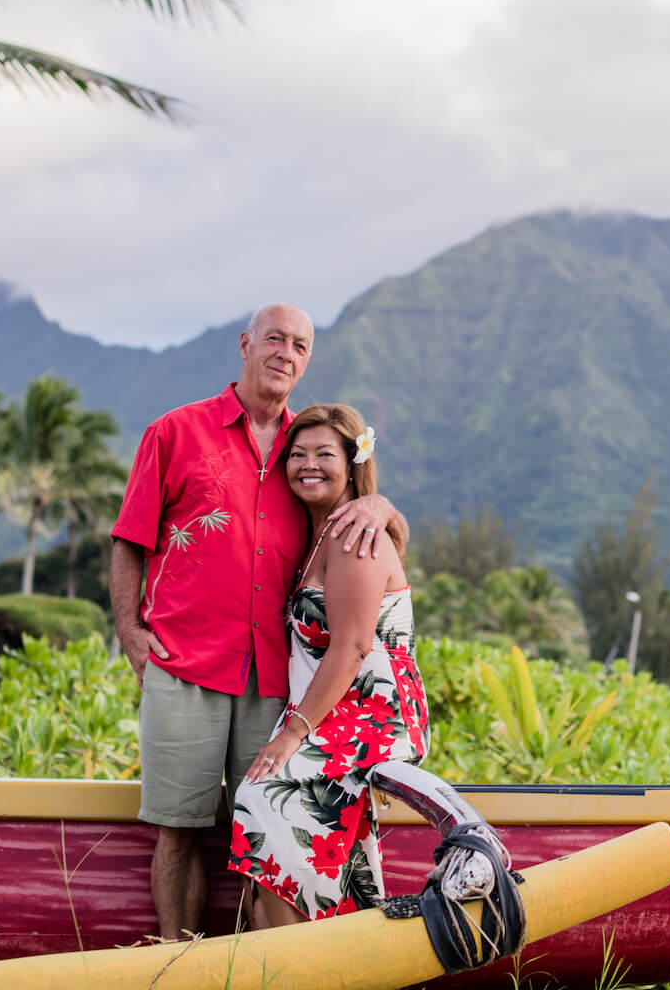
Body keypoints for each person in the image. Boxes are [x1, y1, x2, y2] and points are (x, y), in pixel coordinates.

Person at [109, 304, 396, 940]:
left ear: (307, 360)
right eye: (274, 338)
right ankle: (178, 965)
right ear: (245, 344)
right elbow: (129, 539)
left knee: (264, 833)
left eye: (299, 345)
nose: (285, 352)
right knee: (178, 828)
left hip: (276, 679)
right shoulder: (175, 432)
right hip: (184, 664)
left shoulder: (311, 450)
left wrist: (381, 501)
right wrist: (132, 634)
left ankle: (252, 967)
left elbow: (364, 520)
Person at [226, 403, 430, 926]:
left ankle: (290, 958)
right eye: (296, 454)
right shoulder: (319, 530)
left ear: (353, 461)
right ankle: (291, 957)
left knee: (265, 796)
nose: (307, 465)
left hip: (369, 711)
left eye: (324, 454)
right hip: (334, 705)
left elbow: (353, 648)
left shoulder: (355, 534)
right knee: (267, 812)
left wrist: (290, 734)